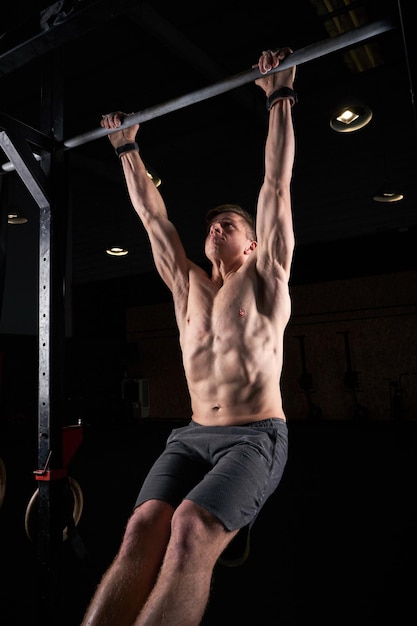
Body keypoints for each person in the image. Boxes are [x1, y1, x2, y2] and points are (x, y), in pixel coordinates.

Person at [81, 47, 297, 626]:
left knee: (189, 530)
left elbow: (275, 186)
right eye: (210, 225)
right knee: (139, 532)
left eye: (229, 225)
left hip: (254, 438)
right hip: (192, 434)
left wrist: (279, 97)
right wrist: (128, 149)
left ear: (253, 244)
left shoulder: (267, 276)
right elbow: (154, 219)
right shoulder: (186, 287)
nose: (215, 228)